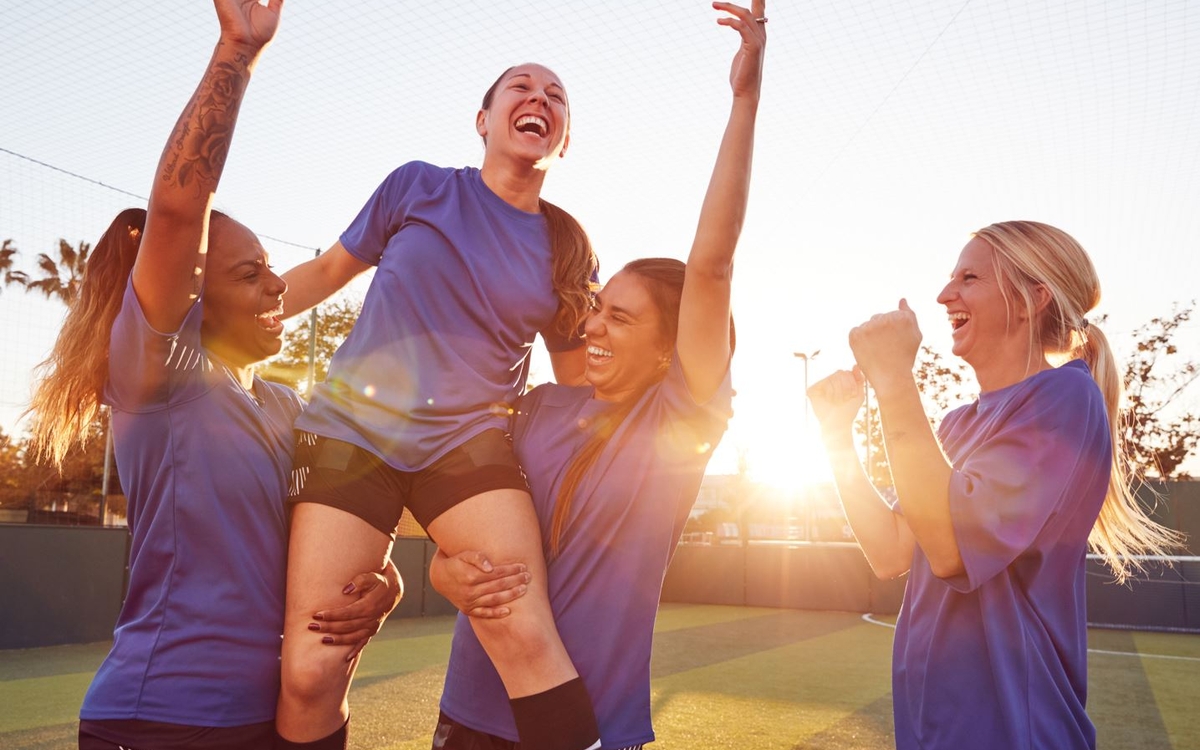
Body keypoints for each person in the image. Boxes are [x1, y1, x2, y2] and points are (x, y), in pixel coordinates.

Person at [24, 3, 401, 749]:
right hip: (163, 716)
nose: (276, 288)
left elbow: (340, 523)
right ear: (196, 293)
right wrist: (237, 52)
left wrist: (383, 587)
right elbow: (175, 209)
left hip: (276, 722)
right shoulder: (159, 381)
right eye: (251, 274)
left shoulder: (283, 404)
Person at [425, 3, 766, 747]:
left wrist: (744, 99)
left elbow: (711, 264)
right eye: (597, 307)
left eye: (621, 317)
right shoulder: (538, 407)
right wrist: (442, 574)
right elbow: (455, 521)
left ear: (670, 351)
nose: (593, 325)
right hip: (470, 713)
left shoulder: (682, 418)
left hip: (589, 728)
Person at [272, 30, 603, 750]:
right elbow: (327, 273)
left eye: (556, 97)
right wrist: (215, 324)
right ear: (483, 120)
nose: (538, 98)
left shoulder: (568, 249)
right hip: (350, 434)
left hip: (469, 445)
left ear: (564, 141)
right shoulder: (416, 185)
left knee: (519, 624)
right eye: (520, 87)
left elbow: (579, 390)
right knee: (311, 664)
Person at [807, 220, 1183, 750]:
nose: (944, 295)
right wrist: (836, 437)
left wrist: (894, 379)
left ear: (1031, 300)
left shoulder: (1065, 399)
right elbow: (890, 550)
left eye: (969, 277)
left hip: (1013, 732)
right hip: (934, 730)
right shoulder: (955, 424)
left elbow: (951, 551)